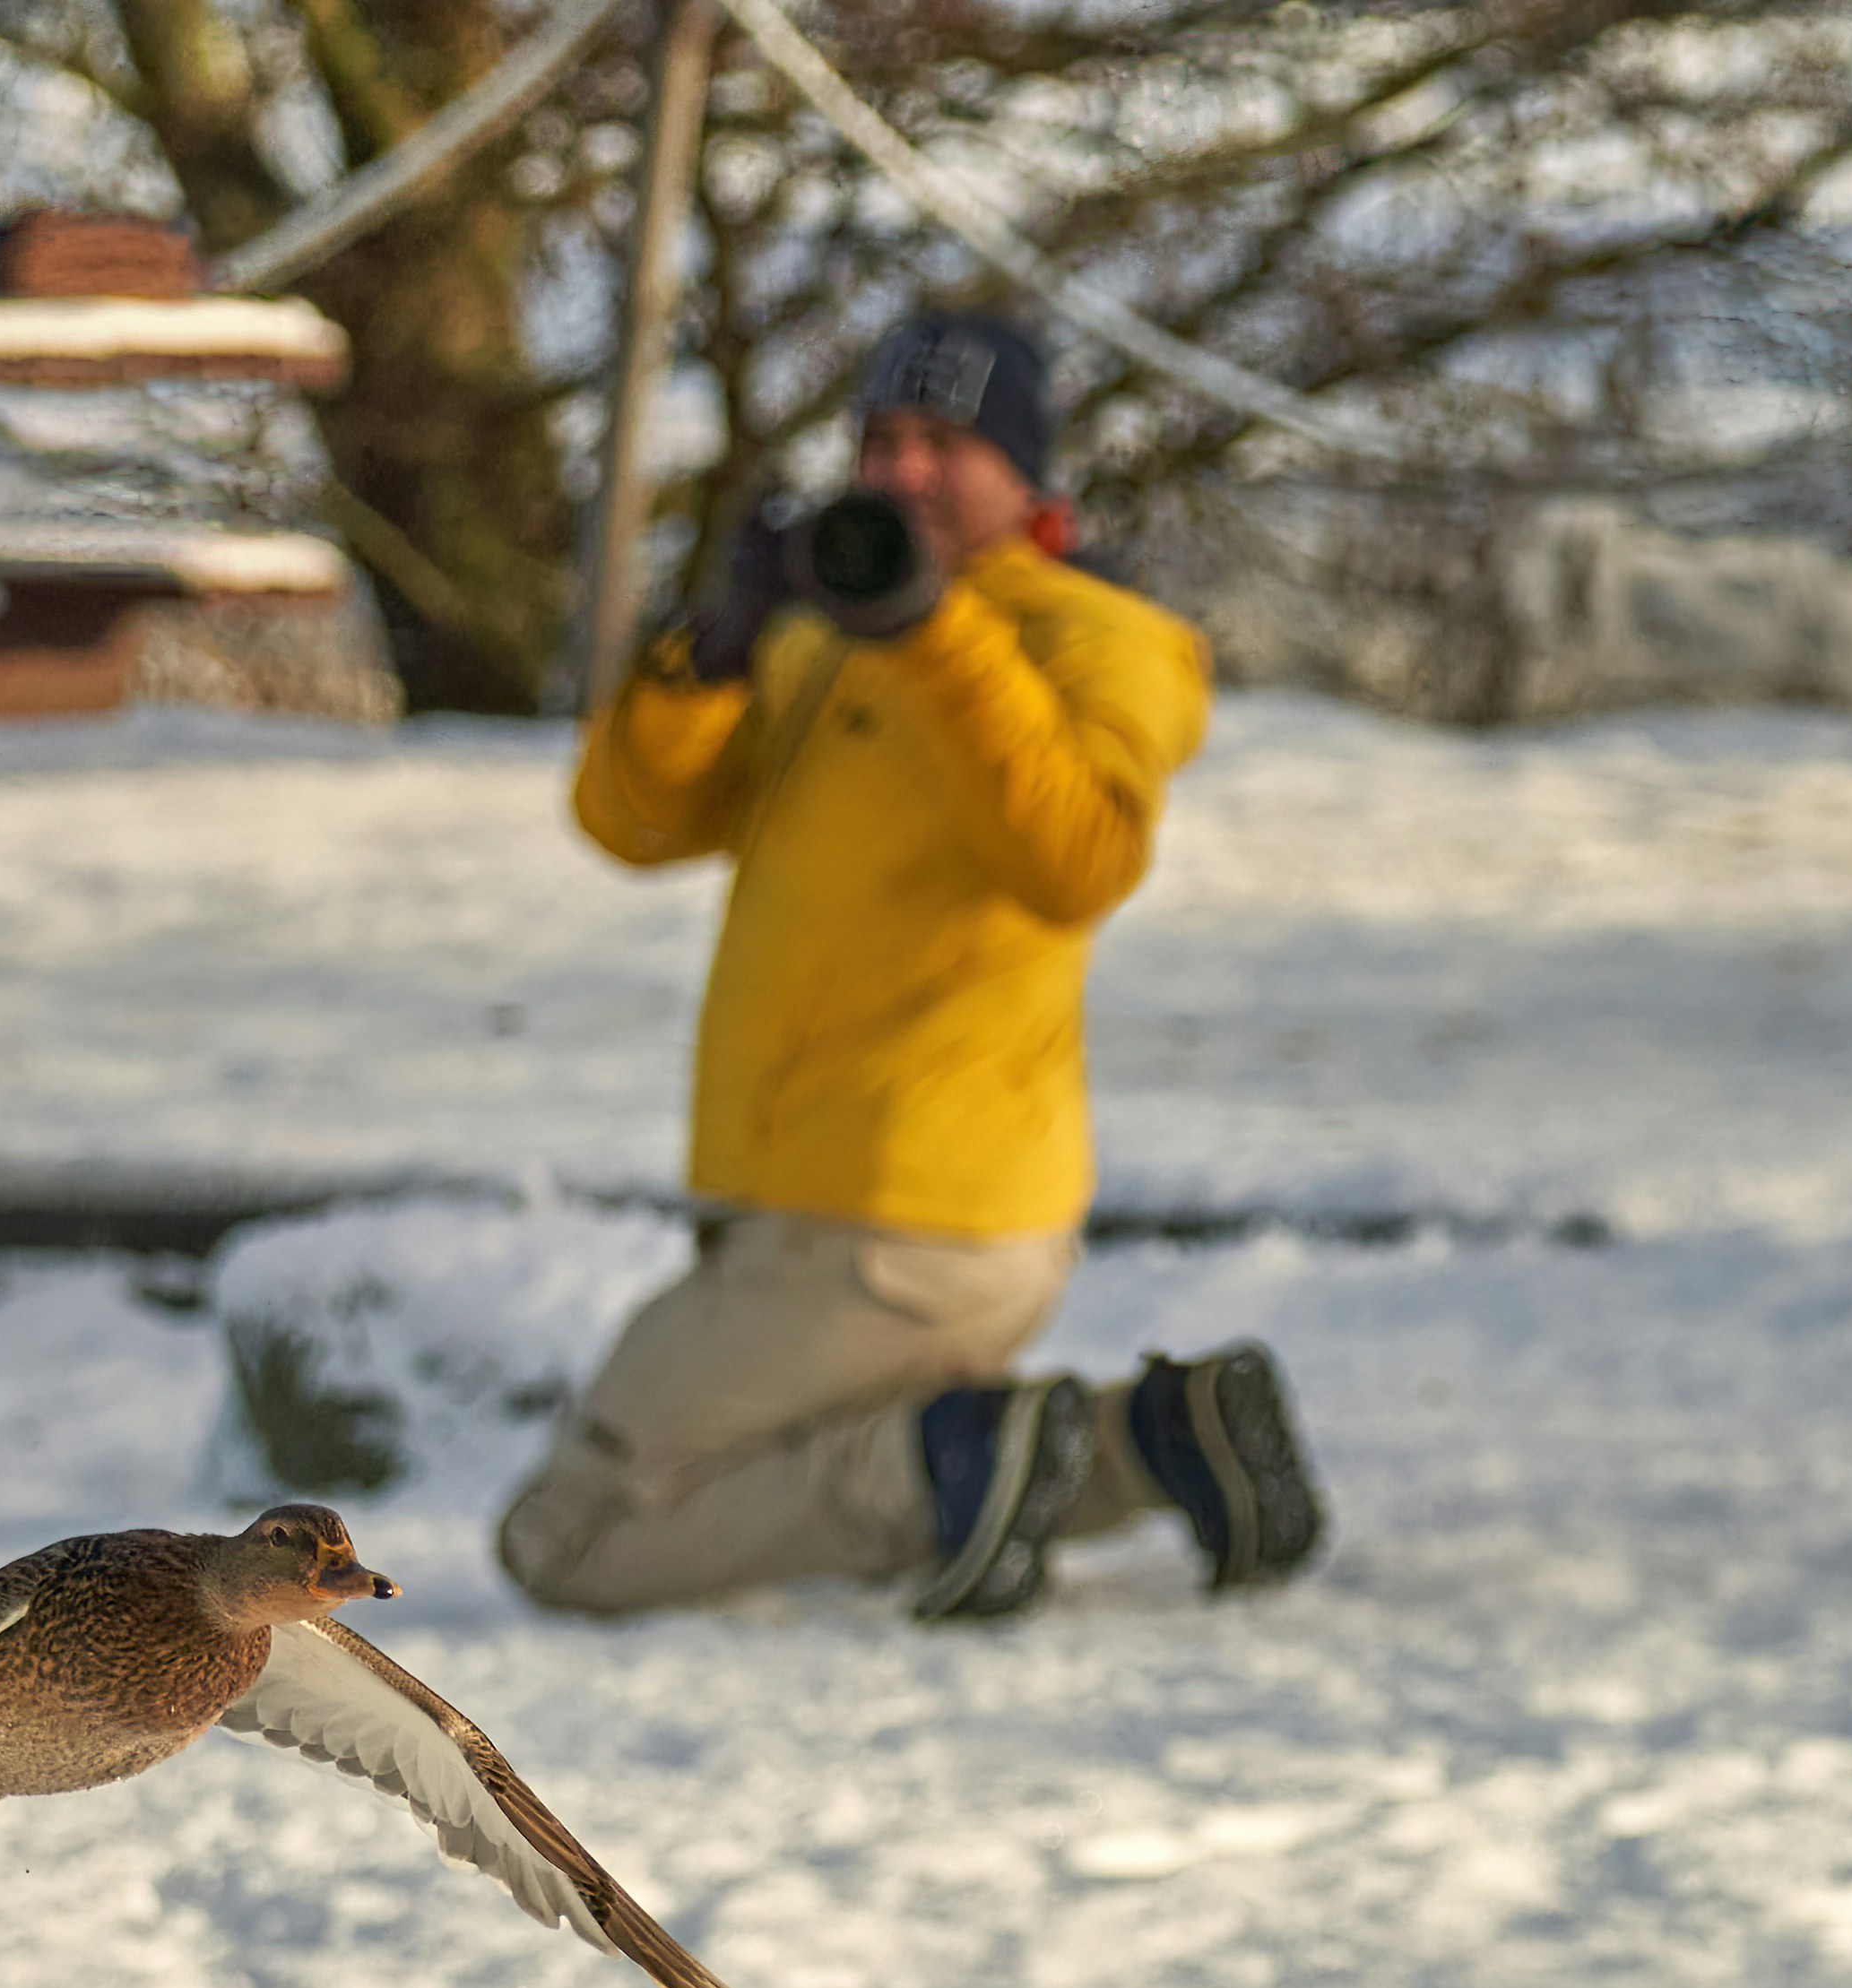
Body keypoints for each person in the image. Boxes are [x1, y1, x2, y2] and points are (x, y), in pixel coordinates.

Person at [499, 305, 1324, 1628]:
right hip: (817, 1211)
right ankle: (1160, 1438)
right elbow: (630, 826)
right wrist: (706, 647)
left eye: (946, 441)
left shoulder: (1096, 638)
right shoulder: (821, 631)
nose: (902, 472)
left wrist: (934, 631)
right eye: (880, 438)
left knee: (569, 1537)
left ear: (1027, 471)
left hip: (902, 1222)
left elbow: (1080, 858)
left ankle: (942, 1471)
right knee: (688, 1482)